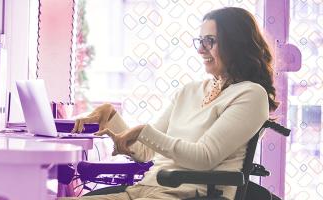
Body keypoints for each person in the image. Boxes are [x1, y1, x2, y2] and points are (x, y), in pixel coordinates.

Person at [63, 7, 279, 200]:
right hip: (143, 190)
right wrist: (110, 118)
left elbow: (204, 157)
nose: (201, 49)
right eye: (200, 41)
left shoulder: (251, 95)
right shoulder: (190, 91)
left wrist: (143, 131)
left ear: (236, 45)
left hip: (185, 196)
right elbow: (144, 150)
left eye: (210, 41)